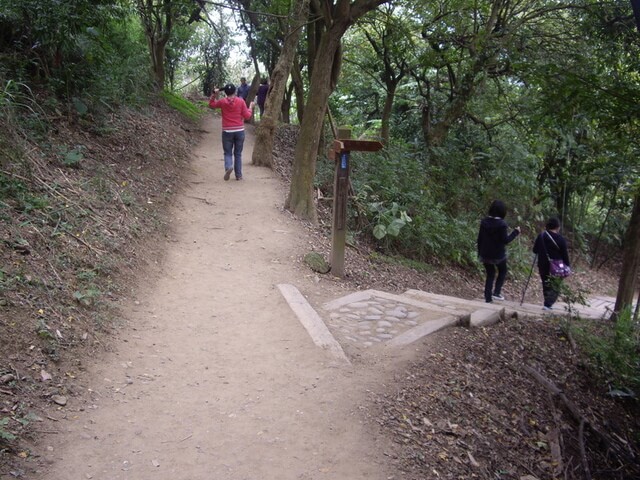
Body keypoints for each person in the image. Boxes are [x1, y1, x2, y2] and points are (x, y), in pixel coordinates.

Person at [477, 200, 521, 303]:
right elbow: (505, 240)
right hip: (498, 255)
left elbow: (480, 238)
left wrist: (479, 252)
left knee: (490, 274)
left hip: (485, 253)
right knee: (503, 270)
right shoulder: (502, 224)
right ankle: (496, 293)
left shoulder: (484, 222)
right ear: (502, 212)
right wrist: (516, 232)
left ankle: (488, 298)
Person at [208, 83, 254, 181]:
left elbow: (211, 105)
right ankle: (239, 175)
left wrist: (214, 95)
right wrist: (250, 108)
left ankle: (229, 166)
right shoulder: (241, 101)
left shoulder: (222, 102)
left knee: (228, 153)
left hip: (227, 131)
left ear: (225, 92)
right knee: (238, 154)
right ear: (235, 91)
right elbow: (247, 116)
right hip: (239, 131)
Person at [532, 217, 570, 311]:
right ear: (558, 227)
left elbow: (535, 250)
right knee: (556, 285)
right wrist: (568, 266)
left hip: (543, 264)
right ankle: (548, 304)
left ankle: (547, 303)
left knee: (546, 283)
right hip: (557, 266)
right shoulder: (560, 239)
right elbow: (565, 255)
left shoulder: (541, 236)